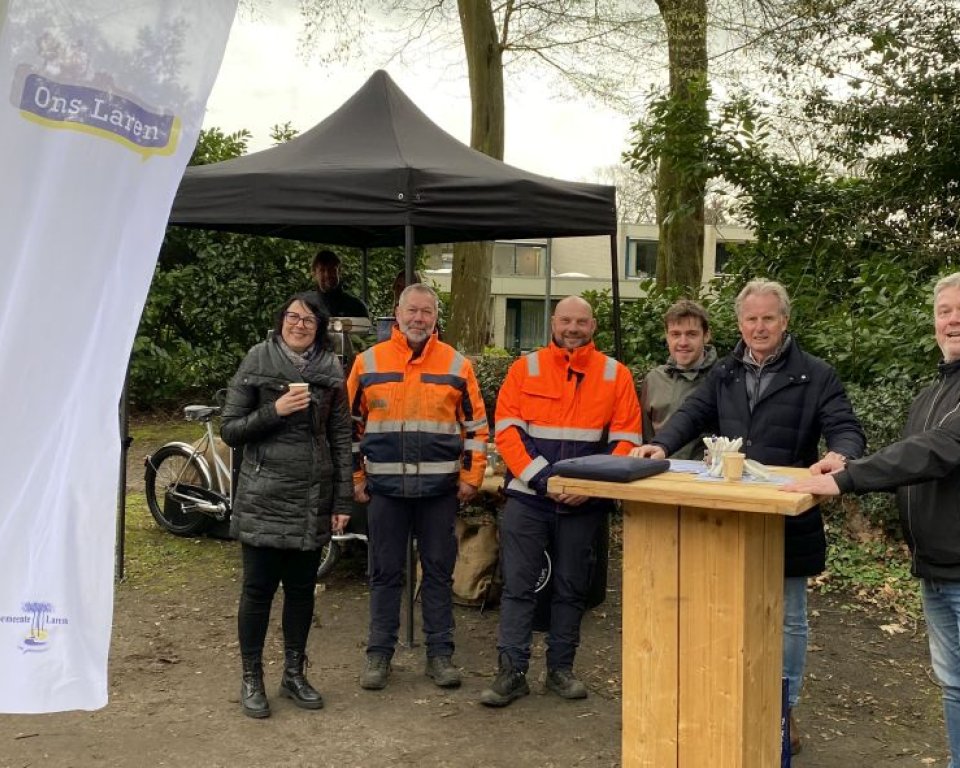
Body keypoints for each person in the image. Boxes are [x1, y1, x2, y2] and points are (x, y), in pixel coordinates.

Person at [631, 279, 865, 754]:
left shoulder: (816, 375)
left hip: (789, 516)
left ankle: (783, 708)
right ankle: (733, 697)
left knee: (790, 618)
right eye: (751, 319)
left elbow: (844, 426)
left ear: (785, 321)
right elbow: (692, 414)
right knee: (729, 610)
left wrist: (840, 455)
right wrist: (662, 444)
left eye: (768, 318)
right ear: (739, 324)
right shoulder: (724, 373)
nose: (759, 327)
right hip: (731, 517)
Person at [782, 272, 960, 767]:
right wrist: (844, 462)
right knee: (954, 686)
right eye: (944, 311)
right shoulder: (933, 395)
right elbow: (910, 456)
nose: (953, 320)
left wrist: (847, 477)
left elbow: (938, 450)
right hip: (938, 567)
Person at [480, 296, 642, 707]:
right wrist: (545, 481)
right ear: (554, 322)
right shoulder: (525, 368)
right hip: (529, 500)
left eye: (581, 321)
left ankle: (560, 669)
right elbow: (508, 432)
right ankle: (511, 672)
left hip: (585, 502)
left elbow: (628, 440)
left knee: (572, 588)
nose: (573, 328)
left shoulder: (615, 374)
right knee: (518, 586)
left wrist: (591, 486)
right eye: (566, 320)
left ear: (593, 326)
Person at [347, 283, 488, 691]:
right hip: (385, 491)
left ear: (435, 317)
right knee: (384, 573)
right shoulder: (367, 362)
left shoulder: (457, 365)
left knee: (439, 574)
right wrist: (356, 478)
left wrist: (470, 477)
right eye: (412, 311)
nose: (418, 319)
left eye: (426, 312)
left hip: (439, 492)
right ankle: (379, 655)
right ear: (397, 312)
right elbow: (349, 429)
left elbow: (477, 429)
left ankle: (440, 655)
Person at [220, 293, 353, 719]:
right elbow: (230, 430)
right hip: (263, 494)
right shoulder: (258, 359)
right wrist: (274, 411)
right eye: (293, 317)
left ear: (319, 327)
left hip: (311, 495)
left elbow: (341, 438)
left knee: (300, 591)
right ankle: (251, 676)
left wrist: (342, 499)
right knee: (257, 590)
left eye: (309, 320)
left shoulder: (331, 369)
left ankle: (294, 672)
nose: (299, 324)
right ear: (281, 321)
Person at [641, 299, 718, 459]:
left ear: (706, 335)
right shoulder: (654, 379)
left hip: (706, 476)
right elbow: (645, 435)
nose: (683, 342)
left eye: (691, 334)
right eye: (675, 334)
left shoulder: (722, 377)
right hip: (660, 472)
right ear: (667, 336)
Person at [305, 249, 370, 320]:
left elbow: (365, 330)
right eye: (322, 270)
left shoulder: (356, 307)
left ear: (339, 272)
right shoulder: (306, 306)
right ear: (314, 274)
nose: (327, 275)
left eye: (331, 269)